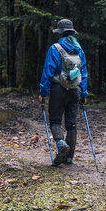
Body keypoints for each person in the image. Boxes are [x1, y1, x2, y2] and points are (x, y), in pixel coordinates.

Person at [39, 19, 88, 166]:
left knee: (55, 120)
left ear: (60, 33)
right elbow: (83, 73)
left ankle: (61, 144)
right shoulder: (80, 50)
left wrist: (43, 91)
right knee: (71, 124)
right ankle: (69, 157)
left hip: (58, 89)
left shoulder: (55, 48)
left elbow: (48, 71)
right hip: (75, 90)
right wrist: (84, 93)